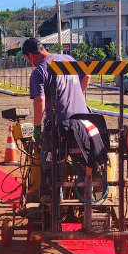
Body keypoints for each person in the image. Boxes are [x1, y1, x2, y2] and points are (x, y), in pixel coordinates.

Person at [21, 38, 90, 201]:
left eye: (25, 58)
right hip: (82, 122)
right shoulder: (68, 59)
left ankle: (55, 202)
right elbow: (87, 74)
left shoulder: (39, 71)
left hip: (59, 126)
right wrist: (75, 96)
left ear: (30, 55)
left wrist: (37, 127)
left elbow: (40, 101)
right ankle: (88, 196)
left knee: (50, 162)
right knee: (82, 161)